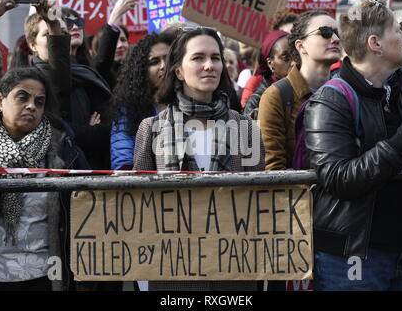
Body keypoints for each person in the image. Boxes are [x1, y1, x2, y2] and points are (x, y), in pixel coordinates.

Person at [304, 0, 402, 291]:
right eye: (397, 31)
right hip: (353, 258)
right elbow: (338, 178)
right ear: (375, 43)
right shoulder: (330, 99)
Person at [133, 27, 265, 291]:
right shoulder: (151, 128)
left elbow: (258, 203)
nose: (209, 66)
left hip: (233, 271)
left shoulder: (246, 128)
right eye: (198, 58)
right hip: (171, 271)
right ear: (178, 71)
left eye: (215, 58)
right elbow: (138, 205)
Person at [0, 67, 86, 291]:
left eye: (39, 102)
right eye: (22, 97)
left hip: (47, 277)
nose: (31, 106)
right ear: (0, 101)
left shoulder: (62, 153)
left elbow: (86, 211)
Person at [25, 0, 112, 170]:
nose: (59, 39)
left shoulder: (85, 76)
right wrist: (86, 132)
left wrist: (89, 133)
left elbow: (106, 130)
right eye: (49, 33)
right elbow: (57, 131)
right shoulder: (30, 81)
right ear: (32, 44)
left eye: (63, 34)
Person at [258, 10, 341, 170]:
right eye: (326, 32)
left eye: (337, 33)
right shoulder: (276, 96)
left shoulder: (345, 92)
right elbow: (273, 169)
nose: (336, 39)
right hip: (298, 194)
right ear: (301, 45)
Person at [110, 31, 176, 170]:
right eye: (154, 62)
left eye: (169, 59)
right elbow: (123, 162)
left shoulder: (192, 103)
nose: (163, 66)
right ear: (142, 71)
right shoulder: (128, 110)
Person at [90, 0, 137, 88]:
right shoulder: (95, 74)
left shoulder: (138, 73)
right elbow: (103, 62)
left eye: (123, 40)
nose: (120, 45)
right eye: (114, 42)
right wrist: (116, 14)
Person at [244, 30, 293, 119]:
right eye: (286, 58)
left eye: (296, 55)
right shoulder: (256, 102)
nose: (293, 63)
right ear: (270, 63)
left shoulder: (310, 88)